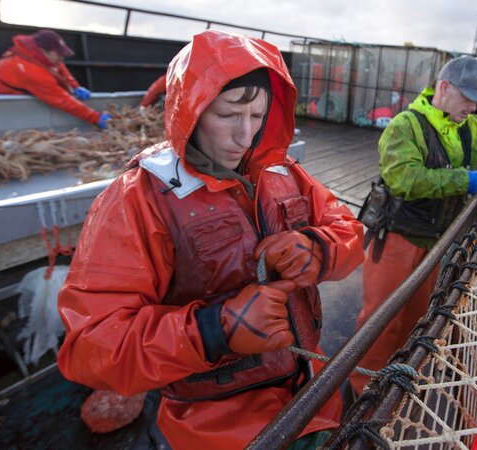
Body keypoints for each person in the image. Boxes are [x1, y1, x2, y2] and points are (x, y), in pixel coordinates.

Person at [56, 30, 364, 449]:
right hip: (217, 429)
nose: (246, 135)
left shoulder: (282, 172)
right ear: (191, 111)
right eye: (228, 114)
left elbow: (348, 228)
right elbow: (91, 346)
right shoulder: (138, 199)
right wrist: (213, 331)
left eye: (258, 115)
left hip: (313, 397)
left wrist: (319, 248)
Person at [351, 56, 477, 394]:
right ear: (443, 88)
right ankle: (362, 391)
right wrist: (465, 180)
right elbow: (402, 178)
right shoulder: (405, 126)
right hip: (397, 238)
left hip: (435, 244)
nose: (472, 107)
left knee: (415, 318)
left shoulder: (472, 127)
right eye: (467, 97)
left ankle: (397, 383)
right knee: (380, 321)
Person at [0, 29, 112, 129]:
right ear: (44, 51)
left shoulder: (37, 54)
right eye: (59, 54)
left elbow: (59, 66)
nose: (62, 58)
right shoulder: (31, 72)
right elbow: (62, 100)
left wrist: (75, 86)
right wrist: (96, 118)